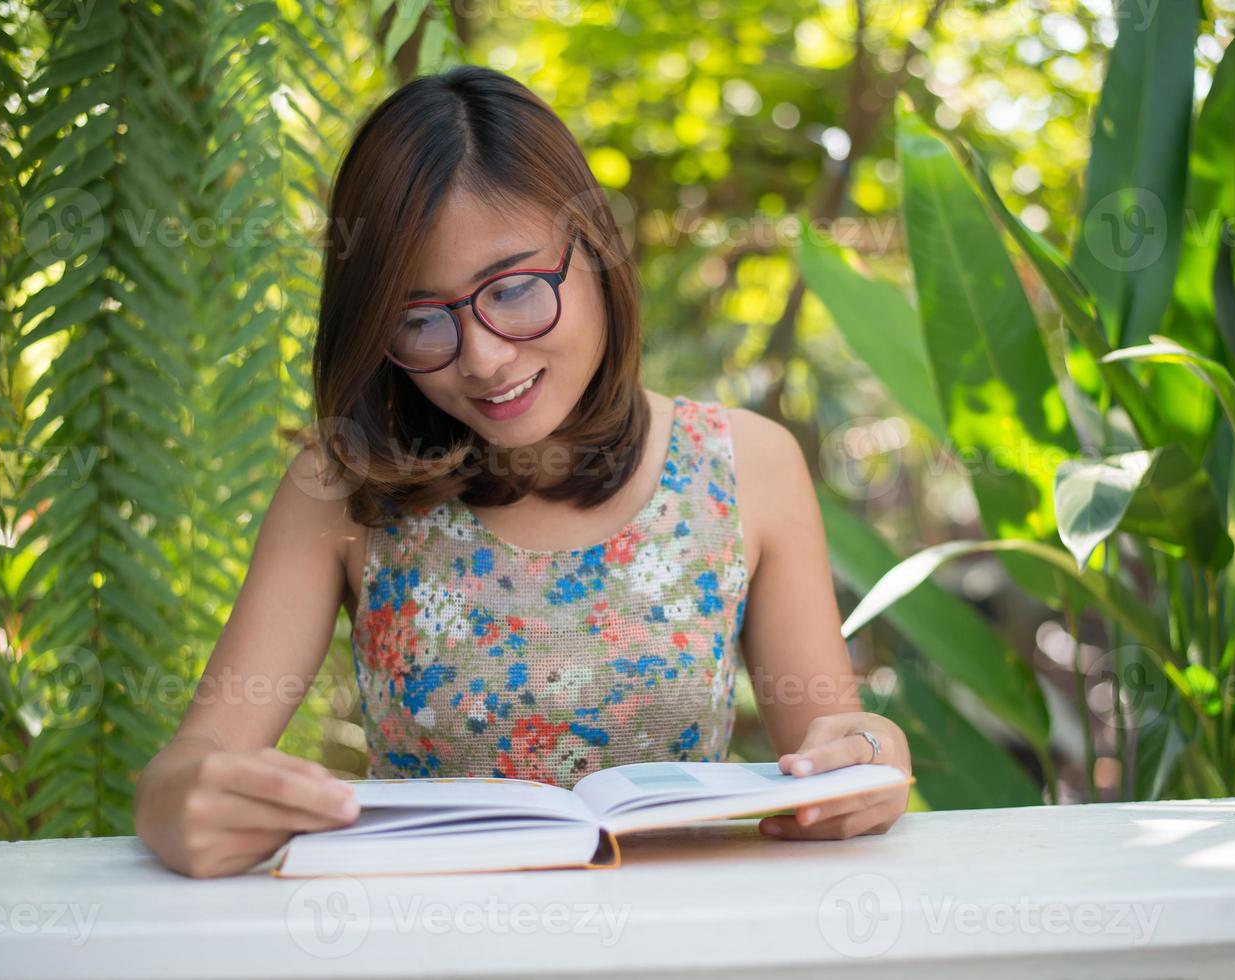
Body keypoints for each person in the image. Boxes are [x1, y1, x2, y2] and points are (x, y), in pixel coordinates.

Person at [134, 65, 912, 879]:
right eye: (420, 319)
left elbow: (832, 754)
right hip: (427, 944)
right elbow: (188, 766)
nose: (482, 358)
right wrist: (183, 799)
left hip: (679, 946)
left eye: (510, 290)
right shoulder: (342, 484)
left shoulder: (745, 465)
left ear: (596, 250)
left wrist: (867, 754)